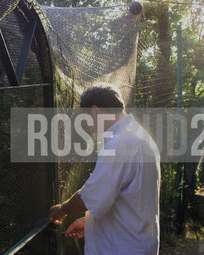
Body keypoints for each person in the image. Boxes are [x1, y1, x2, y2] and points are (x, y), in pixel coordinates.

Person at [49, 83, 160, 255]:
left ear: (95, 111)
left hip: (121, 248)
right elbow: (128, 195)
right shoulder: (138, 136)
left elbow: (91, 195)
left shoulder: (120, 143)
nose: (87, 124)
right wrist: (89, 222)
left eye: (85, 117)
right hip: (135, 242)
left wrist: (62, 210)